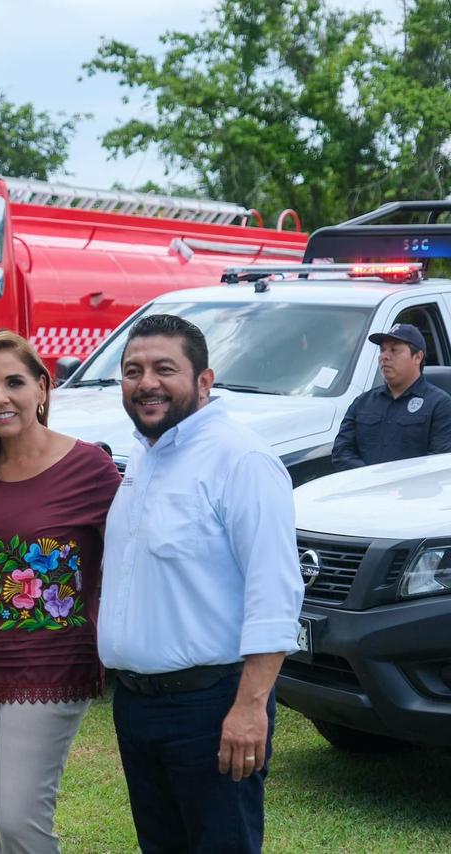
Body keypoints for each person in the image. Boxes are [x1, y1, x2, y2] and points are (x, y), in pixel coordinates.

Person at [98, 314, 305, 852]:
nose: (146, 383)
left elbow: (275, 593)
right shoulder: (144, 453)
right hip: (137, 707)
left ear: (204, 380)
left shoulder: (241, 460)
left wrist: (250, 707)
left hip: (211, 707)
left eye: (164, 369)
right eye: (133, 371)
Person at [0, 331, 120, 853]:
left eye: (14, 383)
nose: (0, 398)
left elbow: (131, 559)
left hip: (49, 666)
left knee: (22, 822)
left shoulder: (89, 468)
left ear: (42, 387)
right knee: (0, 826)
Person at [332, 322, 451, 471]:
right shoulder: (362, 403)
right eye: (382, 350)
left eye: (394, 350)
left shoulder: (440, 404)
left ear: (417, 357)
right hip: (367, 484)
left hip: (417, 485)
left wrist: (392, 479)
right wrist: (370, 477)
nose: (384, 356)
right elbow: (341, 452)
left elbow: (443, 460)